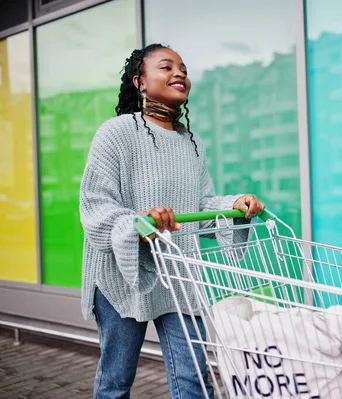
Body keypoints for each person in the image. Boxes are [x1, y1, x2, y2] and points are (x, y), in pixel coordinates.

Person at [79, 43, 264, 399]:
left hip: (178, 272)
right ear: (140, 81)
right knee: (116, 382)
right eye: (166, 67)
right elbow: (95, 206)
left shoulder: (191, 142)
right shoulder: (115, 133)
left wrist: (234, 204)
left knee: (195, 379)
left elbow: (201, 206)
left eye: (182, 68)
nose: (179, 73)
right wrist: (139, 222)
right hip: (122, 274)